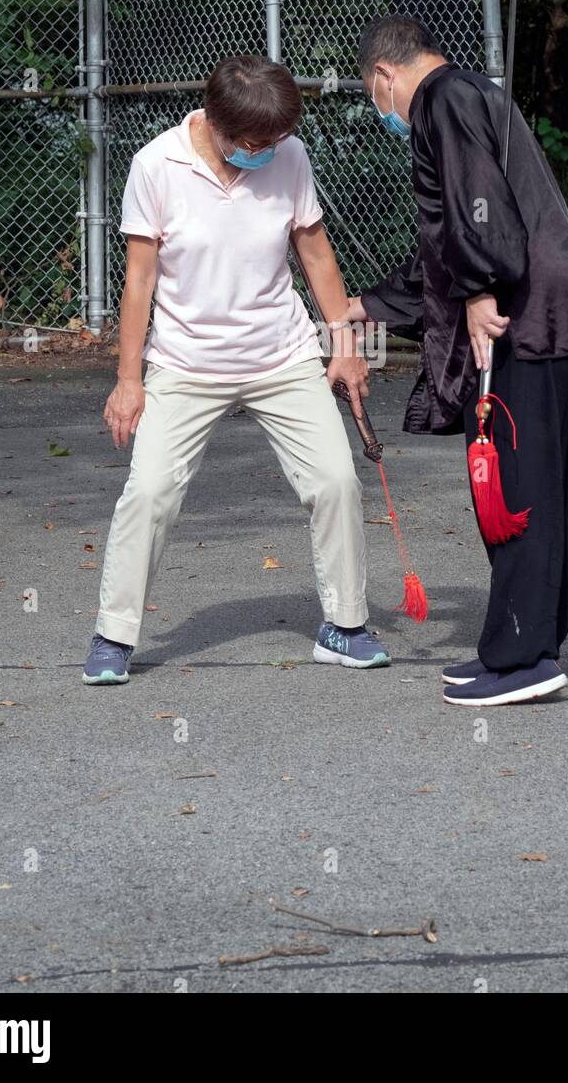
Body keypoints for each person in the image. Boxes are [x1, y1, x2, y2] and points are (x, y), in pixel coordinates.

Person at [82, 54, 390, 685]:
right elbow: (139, 279)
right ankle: (114, 636)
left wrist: (344, 345)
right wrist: (129, 378)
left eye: (276, 140)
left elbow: (316, 255)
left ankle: (345, 627)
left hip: (281, 353)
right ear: (216, 124)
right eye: (255, 142)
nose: (268, 151)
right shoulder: (156, 165)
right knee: (150, 493)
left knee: (335, 480)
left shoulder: (290, 156)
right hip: (185, 361)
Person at [346, 15, 568, 706]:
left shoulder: (441, 99)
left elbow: (479, 209)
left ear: (384, 77)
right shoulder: (478, 93)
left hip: (524, 322)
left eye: (374, 95)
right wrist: (370, 303)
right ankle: (517, 649)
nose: (383, 112)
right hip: (565, 320)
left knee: (516, 492)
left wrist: (479, 289)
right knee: (548, 488)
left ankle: (526, 656)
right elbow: (451, 238)